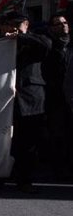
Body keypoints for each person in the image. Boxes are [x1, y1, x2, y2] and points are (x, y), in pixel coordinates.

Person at [0, 11, 51, 192]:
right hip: (6, 100)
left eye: (16, 25)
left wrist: (22, 37)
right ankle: (4, 173)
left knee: (28, 141)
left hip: (30, 99)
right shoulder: (1, 43)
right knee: (7, 139)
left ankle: (25, 178)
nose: (12, 28)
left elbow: (46, 46)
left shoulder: (36, 40)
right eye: (9, 24)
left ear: (26, 25)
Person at [42, 14, 72, 177]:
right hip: (55, 97)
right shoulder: (48, 45)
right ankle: (59, 168)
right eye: (58, 24)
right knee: (58, 134)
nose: (63, 26)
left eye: (65, 22)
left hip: (70, 97)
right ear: (52, 28)